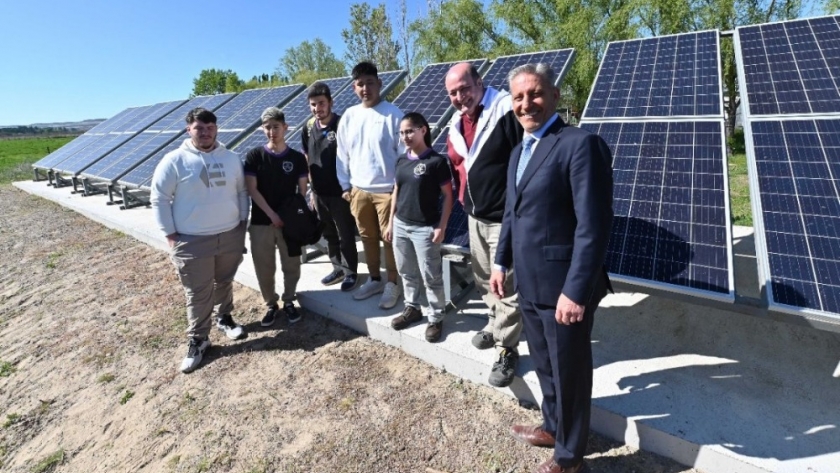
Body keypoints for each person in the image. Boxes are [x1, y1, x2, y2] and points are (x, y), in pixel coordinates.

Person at [490, 63, 613, 473]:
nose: (527, 104)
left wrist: (576, 290)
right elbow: (512, 213)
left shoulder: (579, 145)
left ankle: (570, 456)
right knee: (545, 365)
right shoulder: (518, 152)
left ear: (555, 96)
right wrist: (500, 261)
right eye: (519, 97)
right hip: (528, 282)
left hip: (564, 288)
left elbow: (593, 226)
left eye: (536, 94)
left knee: (570, 373)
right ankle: (553, 426)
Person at [150, 107, 249, 374]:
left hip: (229, 234)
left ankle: (225, 319)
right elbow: (159, 197)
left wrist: (242, 223)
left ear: (217, 129)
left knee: (225, 281)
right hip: (192, 239)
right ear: (189, 130)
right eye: (199, 128)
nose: (205, 133)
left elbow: (241, 192)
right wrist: (170, 233)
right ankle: (198, 339)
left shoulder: (231, 158)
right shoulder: (174, 160)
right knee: (197, 292)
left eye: (210, 128)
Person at [444, 62, 524, 387]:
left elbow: (527, 157)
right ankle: (495, 324)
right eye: (453, 92)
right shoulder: (456, 123)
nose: (460, 96)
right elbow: (457, 164)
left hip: (504, 218)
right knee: (482, 279)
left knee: (505, 284)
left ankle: (507, 349)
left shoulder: (505, 109)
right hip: (474, 216)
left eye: (465, 88)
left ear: (480, 82)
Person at [336, 61, 405, 309]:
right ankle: (374, 278)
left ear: (379, 84)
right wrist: (346, 187)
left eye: (370, 82)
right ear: (354, 87)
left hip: (387, 192)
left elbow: (403, 156)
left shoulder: (394, 115)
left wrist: (398, 190)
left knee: (390, 240)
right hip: (359, 191)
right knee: (367, 237)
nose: (365, 88)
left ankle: (392, 284)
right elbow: (342, 154)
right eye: (360, 84)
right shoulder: (349, 117)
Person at [384, 112, 453, 342]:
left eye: (410, 131)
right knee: (406, 271)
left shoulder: (436, 162)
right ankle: (412, 308)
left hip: (425, 229)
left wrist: (441, 227)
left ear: (423, 130)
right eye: (402, 132)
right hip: (401, 226)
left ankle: (436, 317)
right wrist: (391, 222)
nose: (405, 136)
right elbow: (396, 191)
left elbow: (448, 196)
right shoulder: (402, 160)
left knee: (431, 276)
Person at [243, 107, 309, 327]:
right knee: (264, 266)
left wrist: (294, 217)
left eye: (276, 127)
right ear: (263, 129)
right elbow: (252, 189)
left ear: (285, 127)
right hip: (262, 222)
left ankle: (289, 299)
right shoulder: (255, 156)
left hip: (289, 225)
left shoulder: (297, 158)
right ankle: (271, 304)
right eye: (268, 127)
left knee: (291, 264)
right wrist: (272, 214)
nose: (272, 131)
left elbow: (302, 191)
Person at [302, 82, 360, 292]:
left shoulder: (342, 125)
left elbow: (354, 156)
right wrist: (311, 189)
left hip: (340, 193)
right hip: (319, 193)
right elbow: (307, 156)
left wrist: (351, 187)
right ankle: (337, 268)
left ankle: (350, 272)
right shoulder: (308, 127)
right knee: (329, 234)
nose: (318, 108)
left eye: (322, 103)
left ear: (330, 103)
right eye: (313, 104)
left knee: (345, 234)